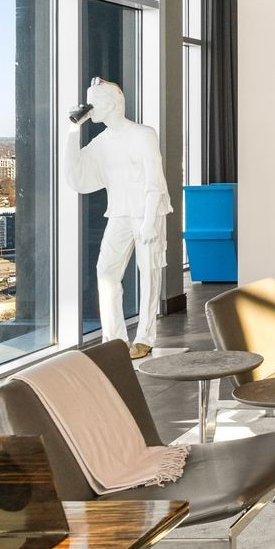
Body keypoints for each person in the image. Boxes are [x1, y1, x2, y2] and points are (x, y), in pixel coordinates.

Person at [66, 80, 171, 358]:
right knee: (106, 272)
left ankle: (146, 336)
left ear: (112, 103)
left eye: (94, 102)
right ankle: (114, 339)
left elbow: (155, 180)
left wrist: (150, 220)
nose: (90, 108)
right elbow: (76, 174)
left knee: (149, 272)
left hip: (147, 212)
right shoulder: (102, 143)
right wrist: (72, 130)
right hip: (120, 213)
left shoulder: (143, 134)